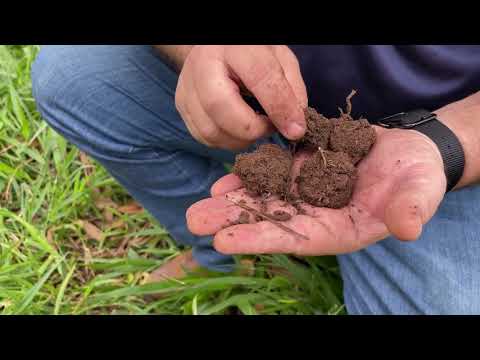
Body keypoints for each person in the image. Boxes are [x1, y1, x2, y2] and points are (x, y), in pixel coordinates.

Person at [31, 45, 480, 314]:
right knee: (73, 78)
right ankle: (222, 251)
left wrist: (446, 145)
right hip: (262, 106)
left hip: (442, 142)